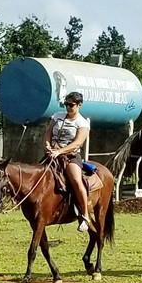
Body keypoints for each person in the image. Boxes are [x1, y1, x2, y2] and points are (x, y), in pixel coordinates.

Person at [45, 91, 94, 232]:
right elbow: (48, 133)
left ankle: (85, 215)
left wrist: (59, 151)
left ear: (79, 105)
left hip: (70, 157)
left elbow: (77, 143)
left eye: (71, 105)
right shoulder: (57, 116)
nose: (68, 107)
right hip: (52, 154)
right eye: (66, 104)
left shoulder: (82, 123)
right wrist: (48, 146)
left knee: (76, 181)